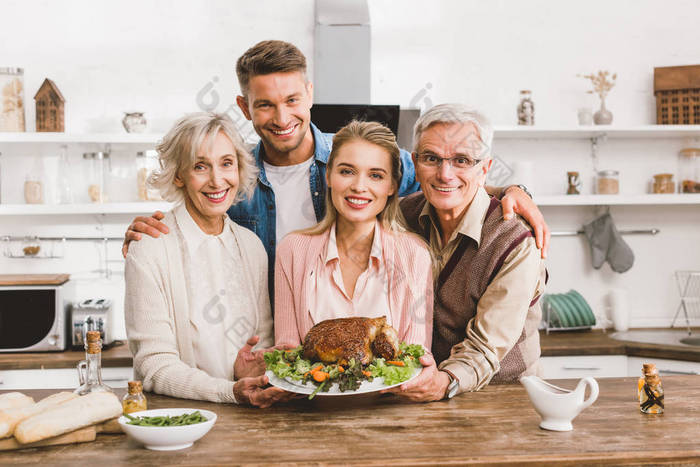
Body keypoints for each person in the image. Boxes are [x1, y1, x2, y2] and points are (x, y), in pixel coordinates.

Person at [121, 41, 551, 302]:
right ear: (244, 108)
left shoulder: (364, 162)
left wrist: (513, 188)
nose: (281, 115)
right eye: (265, 104)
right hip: (272, 343)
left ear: (310, 94)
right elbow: (200, 226)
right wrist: (155, 230)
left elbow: (446, 177)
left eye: (291, 99)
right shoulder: (238, 181)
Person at [124, 112, 289, 407]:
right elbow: (154, 365)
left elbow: (262, 342)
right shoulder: (149, 248)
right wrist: (229, 391)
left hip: (248, 420)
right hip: (178, 421)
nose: (217, 180)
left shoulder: (252, 247)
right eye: (200, 166)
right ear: (179, 174)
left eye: (227, 163)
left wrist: (249, 371)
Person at [386, 104, 547, 402]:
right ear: (415, 163)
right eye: (431, 158)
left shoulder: (515, 239)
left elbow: (486, 348)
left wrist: (443, 381)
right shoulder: (401, 215)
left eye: (461, 160)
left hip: (503, 398)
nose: (445, 174)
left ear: (484, 168)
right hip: (418, 392)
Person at [275, 120, 433, 350]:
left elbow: (417, 355)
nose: (359, 186)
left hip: (393, 388)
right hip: (312, 386)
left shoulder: (414, 254)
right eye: (347, 171)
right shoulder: (292, 250)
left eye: (376, 175)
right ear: (328, 175)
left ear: (392, 186)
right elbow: (286, 349)